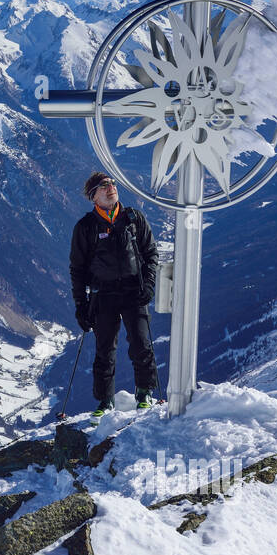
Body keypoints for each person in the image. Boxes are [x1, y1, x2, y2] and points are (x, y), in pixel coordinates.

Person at [69, 171, 160, 414]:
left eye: (112, 183)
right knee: (104, 350)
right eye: (103, 186)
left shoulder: (133, 218)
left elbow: (151, 254)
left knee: (141, 344)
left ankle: (145, 393)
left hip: (134, 290)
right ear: (93, 196)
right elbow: (77, 269)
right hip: (103, 294)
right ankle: (104, 402)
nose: (110, 187)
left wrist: (148, 284)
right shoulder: (85, 227)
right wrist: (81, 305)